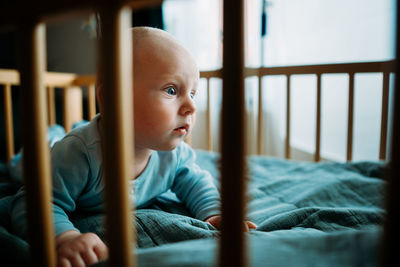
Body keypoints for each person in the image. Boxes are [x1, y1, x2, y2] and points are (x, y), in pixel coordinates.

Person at [11, 27, 256, 267]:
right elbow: (34, 203)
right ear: (113, 99)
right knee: (32, 159)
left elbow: (196, 183)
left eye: (193, 94)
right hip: (44, 157)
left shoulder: (175, 155)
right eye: (172, 90)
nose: (191, 107)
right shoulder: (79, 154)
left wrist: (214, 214)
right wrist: (65, 237)